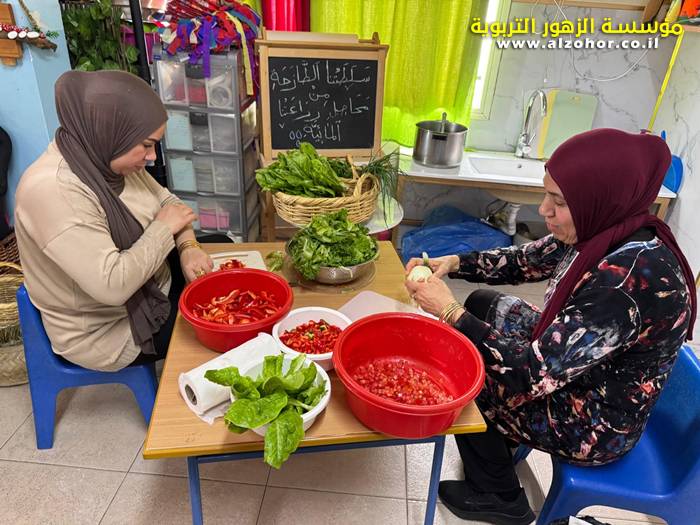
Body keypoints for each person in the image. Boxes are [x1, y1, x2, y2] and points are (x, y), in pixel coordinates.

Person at [405, 128, 696, 525]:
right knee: (483, 304)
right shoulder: (604, 226)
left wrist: (449, 310)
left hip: (597, 420)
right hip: (589, 370)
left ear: (598, 199)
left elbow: (529, 373)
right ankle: (499, 444)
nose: (544, 210)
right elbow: (525, 261)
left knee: (469, 375)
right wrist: (455, 263)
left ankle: (497, 495)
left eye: (558, 202)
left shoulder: (625, 281)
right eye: (547, 195)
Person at [14, 70, 218, 372]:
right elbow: (113, 286)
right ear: (111, 133)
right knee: (223, 323)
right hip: (110, 330)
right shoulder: (53, 191)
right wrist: (164, 229)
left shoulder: (105, 156)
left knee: (221, 248)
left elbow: (170, 204)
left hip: (148, 284)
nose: (152, 157)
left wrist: (188, 247)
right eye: (146, 145)